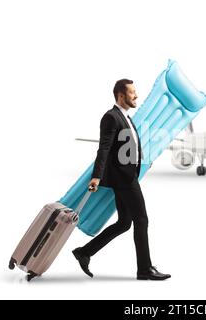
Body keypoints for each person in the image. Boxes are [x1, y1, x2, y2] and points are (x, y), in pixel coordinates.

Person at [72, 79, 171, 281]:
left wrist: (140, 163)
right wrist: (96, 176)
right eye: (132, 92)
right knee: (141, 221)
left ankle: (84, 252)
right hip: (124, 180)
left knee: (125, 223)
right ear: (121, 95)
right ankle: (144, 269)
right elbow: (104, 149)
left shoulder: (125, 117)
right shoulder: (111, 117)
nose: (136, 96)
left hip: (129, 176)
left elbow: (127, 147)